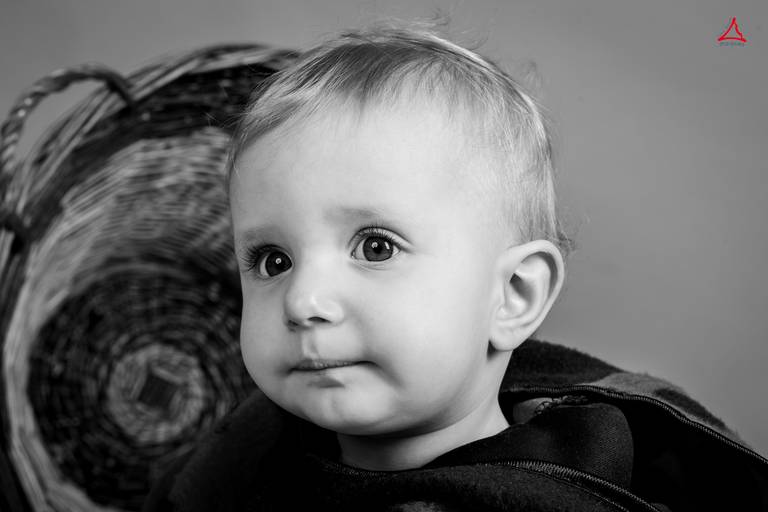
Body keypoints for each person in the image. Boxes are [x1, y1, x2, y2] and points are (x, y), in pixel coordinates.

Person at [143, 21, 768, 511]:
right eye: (272, 259)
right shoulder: (250, 460)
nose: (303, 300)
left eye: (376, 247)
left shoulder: (554, 496)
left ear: (514, 295)